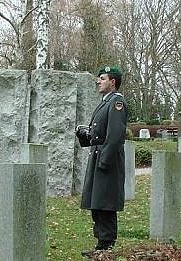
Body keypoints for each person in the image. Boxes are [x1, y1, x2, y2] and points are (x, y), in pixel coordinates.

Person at [76, 66, 128, 257]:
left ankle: (106, 247)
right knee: (97, 202)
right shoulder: (105, 102)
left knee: (105, 203)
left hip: (107, 159)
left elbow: (115, 135)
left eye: (102, 78)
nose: (98, 81)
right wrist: (86, 136)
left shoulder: (117, 102)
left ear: (112, 81)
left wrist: (104, 160)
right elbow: (100, 132)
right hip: (98, 155)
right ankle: (100, 245)